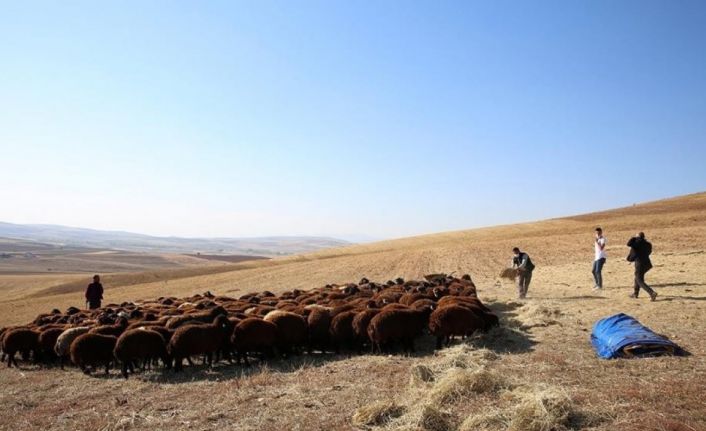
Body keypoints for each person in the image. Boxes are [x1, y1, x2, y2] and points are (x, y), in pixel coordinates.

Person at [627, 232, 657, 301]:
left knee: (639, 280)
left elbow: (628, 244)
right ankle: (635, 293)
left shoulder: (637, 243)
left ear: (638, 237)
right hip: (647, 264)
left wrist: (634, 237)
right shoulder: (648, 244)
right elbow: (649, 252)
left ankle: (652, 292)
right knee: (637, 277)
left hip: (639, 264)